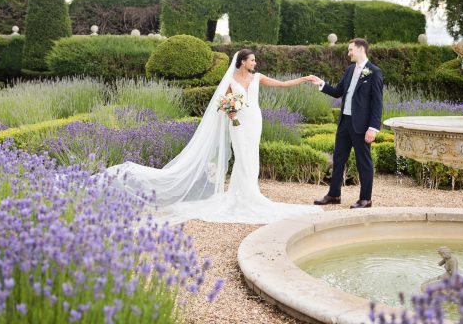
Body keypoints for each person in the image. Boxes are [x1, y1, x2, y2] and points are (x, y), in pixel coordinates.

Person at [106, 49, 323, 224]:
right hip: (238, 124)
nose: (255, 63)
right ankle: (242, 194)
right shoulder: (231, 80)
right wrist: (231, 112)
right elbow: (224, 102)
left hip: (254, 121)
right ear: (243, 62)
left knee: (252, 156)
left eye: (255, 60)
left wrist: (305, 78)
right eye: (252, 60)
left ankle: (250, 193)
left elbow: (283, 85)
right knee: (242, 156)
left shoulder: (258, 77)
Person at [310, 38, 383, 208]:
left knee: (363, 162)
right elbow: (338, 92)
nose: (348, 53)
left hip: (362, 125)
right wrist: (322, 84)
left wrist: (373, 128)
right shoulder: (350, 70)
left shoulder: (374, 72)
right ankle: (334, 195)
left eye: (350, 50)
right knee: (339, 159)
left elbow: (377, 103)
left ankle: (366, 199)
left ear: (360, 49)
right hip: (345, 122)